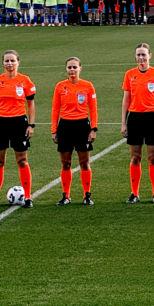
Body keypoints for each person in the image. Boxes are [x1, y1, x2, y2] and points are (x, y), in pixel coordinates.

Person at [0, 50, 37, 207]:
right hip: (0, 123)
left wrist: (31, 124)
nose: (9, 63)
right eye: (6, 61)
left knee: (22, 161)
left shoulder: (25, 80)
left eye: (12, 60)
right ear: (3, 63)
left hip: (19, 123)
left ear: (18, 62)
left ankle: (27, 197)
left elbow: (31, 104)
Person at [121, 43, 154, 204]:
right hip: (134, 118)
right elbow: (126, 100)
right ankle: (134, 193)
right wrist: (123, 122)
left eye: (143, 54)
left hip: (152, 118)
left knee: (152, 158)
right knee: (135, 158)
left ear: (150, 55)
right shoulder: (129, 74)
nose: (141, 58)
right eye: (138, 55)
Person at [51, 57, 98, 206]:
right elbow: (55, 109)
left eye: (74, 67)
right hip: (65, 126)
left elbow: (93, 108)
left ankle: (87, 195)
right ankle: (66, 195)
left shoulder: (88, 86)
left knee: (84, 163)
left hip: (82, 126)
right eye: (69, 67)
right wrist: (54, 130)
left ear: (80, 68)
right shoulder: (60, 86)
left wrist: (93, 128)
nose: (72, 70)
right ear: (66, 69)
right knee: (66, 163)